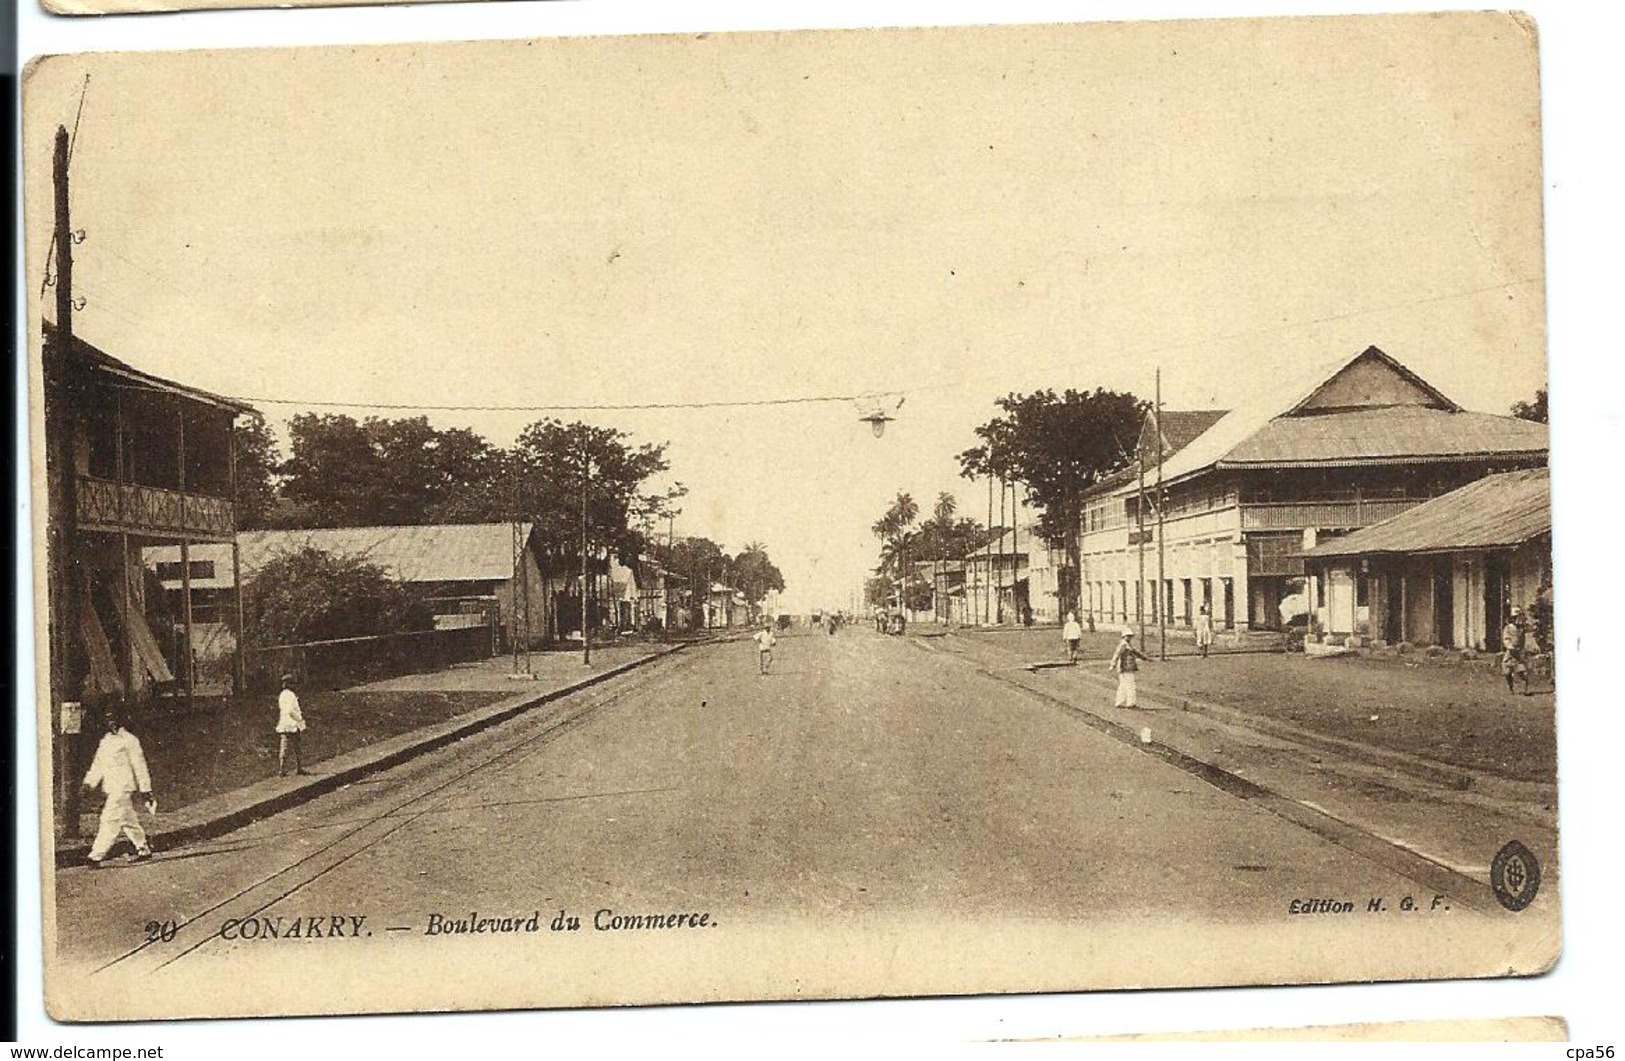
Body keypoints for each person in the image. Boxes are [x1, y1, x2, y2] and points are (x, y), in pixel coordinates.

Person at [82, 709, 154, 866]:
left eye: (115, 718)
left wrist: (145, 789)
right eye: (108, 719)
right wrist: (89, 783)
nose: (111, 722)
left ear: (122, 720)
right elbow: (98, 764)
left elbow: (140, 765)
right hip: (111, 786)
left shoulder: (130, 740)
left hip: (123, 786)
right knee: (128, 820)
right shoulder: (106, 741)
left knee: (110, 819)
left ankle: (96, 855)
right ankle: (143, 849)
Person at [1109, 627, 1151, 708]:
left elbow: (1136, 652)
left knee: (1124, 685)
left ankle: (1120, 702)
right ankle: (1130, 703)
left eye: (1130, 636)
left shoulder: (1127, 644)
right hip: (1125, 667)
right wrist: (1112, 664)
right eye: (1127, 636)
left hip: (1128, 667)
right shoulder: (1123, 645)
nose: (1129, 637)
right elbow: (1116, 654)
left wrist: (1145, 658)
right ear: (1123, 636)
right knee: (1129, 685)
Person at [277, 673, 308, 776]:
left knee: (284, 746)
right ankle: (299, 768)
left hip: (284, 723)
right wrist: (299, 719)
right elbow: (291, 710)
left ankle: (282, 769)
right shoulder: (291, 695)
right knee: (297, 747)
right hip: (292, 724)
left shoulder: (282, 695)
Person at [1501, 607, 1530, 695]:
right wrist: (1510, 646)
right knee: (1507, 672)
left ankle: (1525, 689)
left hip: (1519, 653)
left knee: (1522, 671)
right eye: (1516, 617)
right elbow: (1506, 639)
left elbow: (1530, 628)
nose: (1518, 619)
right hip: (1510, 653)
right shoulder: (1508, 628)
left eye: (1519, 617)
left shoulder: (1521, 628)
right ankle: (1511, 688)